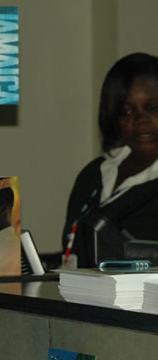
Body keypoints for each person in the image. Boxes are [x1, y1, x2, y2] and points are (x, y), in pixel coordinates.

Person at [62, 53, 158, 268]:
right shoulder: (94, 173)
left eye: (153, 108)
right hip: (79, 295)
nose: (141, 119)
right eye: (127, 111)